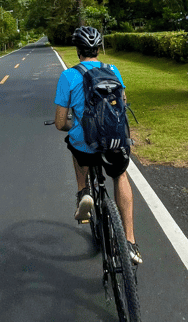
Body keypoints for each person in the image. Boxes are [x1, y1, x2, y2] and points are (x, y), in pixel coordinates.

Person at [54, 26, 142, 265]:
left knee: (74, 143)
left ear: (78, 50)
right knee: (120, 176)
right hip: (114, 142)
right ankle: (131, 242)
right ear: (98, 49)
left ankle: (83, 192)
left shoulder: (68, 76)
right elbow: (122, 102)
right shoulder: (113, 70)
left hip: (86, 145)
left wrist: (74, 125)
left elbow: (60, 123)